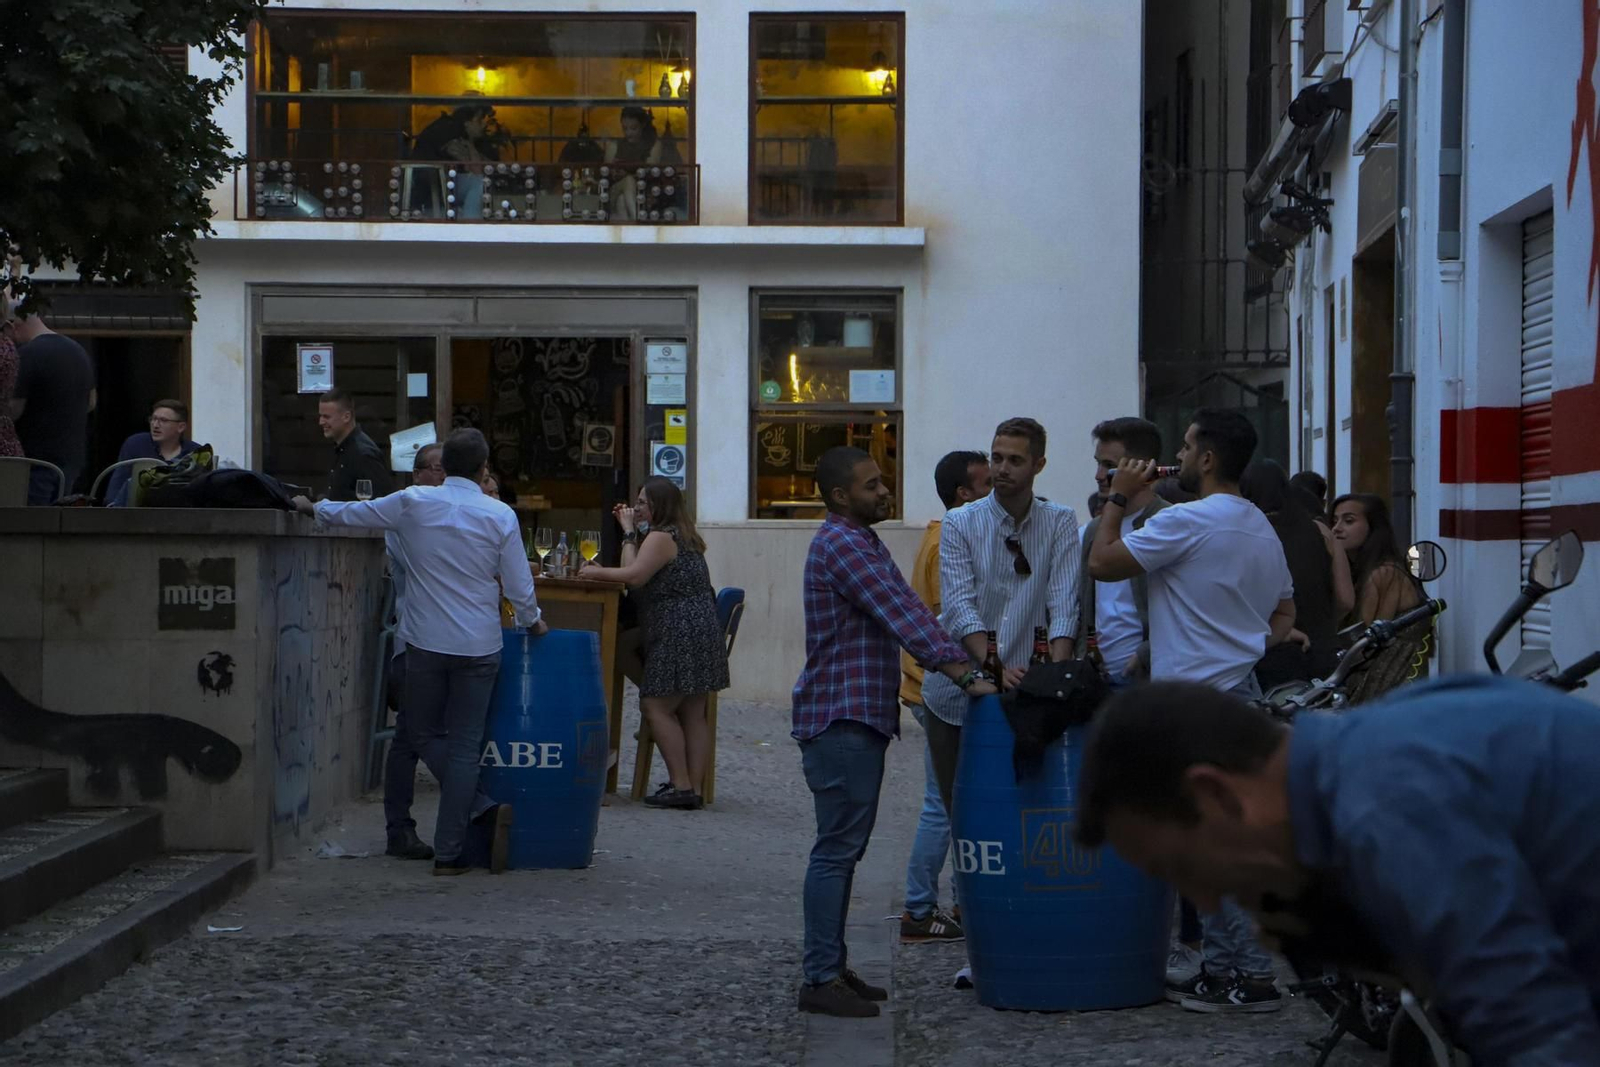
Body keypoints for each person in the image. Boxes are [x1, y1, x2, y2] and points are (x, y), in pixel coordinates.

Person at [1073, 675, 1600, 1065]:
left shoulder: (1382, 808)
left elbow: (1538, 1033)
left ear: (1217, 795)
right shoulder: (1376, 746)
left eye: (1181, 866)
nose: (1204, 901)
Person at [1087, 407, 1297, 1013]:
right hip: (1242, 696)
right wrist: (1247, 642)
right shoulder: (1260, 527)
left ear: (1207, 459)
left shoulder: (1190, 522)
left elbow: (1102, 563)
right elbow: (1285, 614)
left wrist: (1120, 499)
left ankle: (1254, 979)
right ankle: (1226, 970)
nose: (1175, 456)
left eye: (1184, 446)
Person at [792, 446, 995, 1019]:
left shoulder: (860, 540)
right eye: (871, 485)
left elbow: (907, 608)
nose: (884, 492)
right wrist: (966, 672)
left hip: (854, 717)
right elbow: (904, 615)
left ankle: (830, 965)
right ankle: (820, 976)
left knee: (843, 850)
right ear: (839, 497)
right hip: (841, 718)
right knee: (836, 852)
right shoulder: (843, 545)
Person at [293, 428, 542, 875]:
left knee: (422, 733)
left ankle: (479, 810)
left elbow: (358, 513)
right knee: (466, 746)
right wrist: (532, 620)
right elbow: (520, 587)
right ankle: (450, 853)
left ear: (444, 467)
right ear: (484, 468)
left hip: (426, 640)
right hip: (481, 643)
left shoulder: (412, 502)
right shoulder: (500, 515)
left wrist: (314, 507)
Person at [922, 418, 1081, 818]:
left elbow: (1063, 602)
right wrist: (993, 665)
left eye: (1014, 460)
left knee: (1022, 808)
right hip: (956, 692)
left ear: (1038, 465)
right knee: (959, 811)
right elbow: (959, 605)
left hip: (1027, 691)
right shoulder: (961, 521)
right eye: (996, 457)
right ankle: (965, 882)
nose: (1001, 469)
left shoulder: (1060, 521)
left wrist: (1056, 676)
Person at [578, 476, 729, 810]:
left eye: (643, 502)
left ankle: (681, 785)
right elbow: (634, 570)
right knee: (692, 710)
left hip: (679, 631)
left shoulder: (662, 536)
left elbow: (633, 577)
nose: (638, 506)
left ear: (660, 505)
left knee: (655, 706)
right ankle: (692, 788)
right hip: (699, 629)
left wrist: (593, 572)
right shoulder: (680, 535)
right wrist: (629, 532)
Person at [897, 449, 990, 945]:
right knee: (942, 801)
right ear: (964, 493)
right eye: (985, 483)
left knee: (955, 799)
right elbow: (947, 623)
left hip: (944, 683)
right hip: (938, 687)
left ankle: (957, 899)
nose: (995, 490)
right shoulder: (944, 541)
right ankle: (918, 908)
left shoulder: (957, 533)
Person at [381, 443, 447, 861]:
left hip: (455, 642)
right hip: (418, 641)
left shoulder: (457, 510)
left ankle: (402, 830)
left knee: (419, 735)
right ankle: (478, 806)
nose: (443, 477)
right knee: (413, 737)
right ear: (417, 475)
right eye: (436, 469)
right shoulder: (408, 516)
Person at [1241, 460, 1353, 689]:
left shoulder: (1248, 535)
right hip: (1325, 654)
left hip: (1271, 659)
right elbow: (1345, 599)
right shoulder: (1321, 531)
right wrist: (1321, 624)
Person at [1076, 417, 1169, 688]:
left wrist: (1146, 654)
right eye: (1098, 463)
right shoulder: (1093, 530)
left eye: (1109, 466)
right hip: (1096, 680)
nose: (1098, 475)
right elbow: (1081, 604)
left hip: (1151, 679)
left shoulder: (1169, 523)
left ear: (1143, 469)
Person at [8, 311, 95, 503]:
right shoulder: (78, 351)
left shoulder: (27, 354)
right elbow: (91, 402)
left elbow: (14, 409)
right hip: (71, 457)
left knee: (28, 524)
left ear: (15, 324)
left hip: (34, 460)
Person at [1330, 493, 1422, 625]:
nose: (1336, 528)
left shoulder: (1385, 573)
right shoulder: (1355, 569)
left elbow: (1363, 635)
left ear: (1373, 526)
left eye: (1349, 521)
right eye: (1334, 521)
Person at [105, 399, 202, 507]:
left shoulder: (195, 452)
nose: (155, 425)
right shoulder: (136, 444)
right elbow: (117, 484)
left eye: (163, 420)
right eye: (153, 419)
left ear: (181, 427)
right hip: (135, 515)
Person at [317, 388, 391, 502]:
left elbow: (379, 505)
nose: (321, 422)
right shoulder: (342, 449)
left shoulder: (363, 454)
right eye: (321, 416)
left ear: (346, 417)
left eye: (327, 417)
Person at [606, 107, 666, 221]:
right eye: (625, 129)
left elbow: (650, 170)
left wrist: (625, 170)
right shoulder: (614, 146)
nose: (628, 133)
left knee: (622, 201)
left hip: (643, 194)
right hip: (616, 191)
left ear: (642, 125)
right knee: (628, 181)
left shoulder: (654, 145)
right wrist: (624, 174)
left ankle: (632, 226)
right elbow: (607, 174)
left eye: (633, 128)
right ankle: (638, 221)